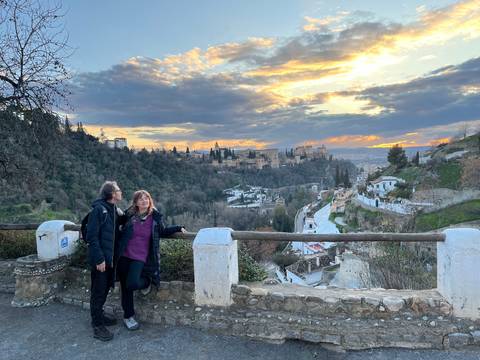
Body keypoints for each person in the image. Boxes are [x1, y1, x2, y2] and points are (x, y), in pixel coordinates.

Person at [116, 190, 185, 330]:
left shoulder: (155, 217)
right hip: (124, 255)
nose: (144, 201)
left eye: (146, 198)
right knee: (125, 287)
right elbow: (116, 225)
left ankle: (147, 282)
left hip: (140, 257)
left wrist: (178, 227)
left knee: (133, 283)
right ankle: (128, 316)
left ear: (150, 201)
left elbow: (163, 231)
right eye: (140, 199)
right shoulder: (129, 215)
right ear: (135, 202)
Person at [85, 181, 124, 341]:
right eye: (118, 190)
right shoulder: (99, 210)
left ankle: (99, 315)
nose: (121, 192)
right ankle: (97, 326)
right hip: (101, 260)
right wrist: (99, 259)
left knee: (105, 288)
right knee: (98, 291)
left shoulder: (112, 210)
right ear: (112, 194)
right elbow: (92, 237)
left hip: (109, 260)